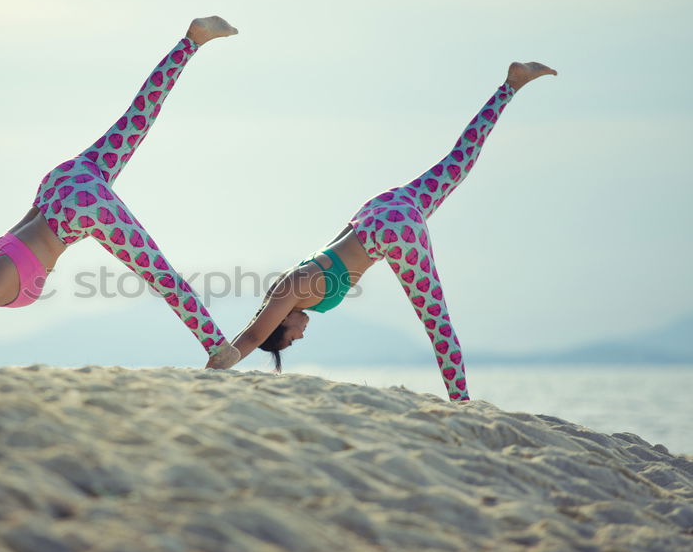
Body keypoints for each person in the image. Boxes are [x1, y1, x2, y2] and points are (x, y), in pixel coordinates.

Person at [209, 62, 557, 401]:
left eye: (289, 339)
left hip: (391, 234)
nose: (299, 337)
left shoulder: (290, 290)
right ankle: (510, 86)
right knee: (457, 164)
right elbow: (340, 238)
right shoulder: (297, 279)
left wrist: (218, 365)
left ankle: (462, 402)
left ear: (280, 323)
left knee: (438, 322)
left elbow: (255, 334)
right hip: (379, 209)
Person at [0, 17, 242, 370]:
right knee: (136, 119)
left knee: (158, 272)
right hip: (60, 184)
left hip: (77, 209)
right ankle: (191, 41)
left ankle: (220, 349)